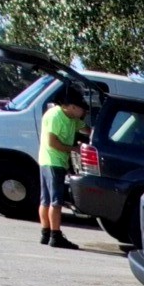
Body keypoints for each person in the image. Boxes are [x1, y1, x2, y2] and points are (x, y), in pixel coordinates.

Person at [38, 87, 88, 249]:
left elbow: (87, 130)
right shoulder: (55, 116)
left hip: (52, 161)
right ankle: (55, 235)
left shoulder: (72, 118)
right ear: (72, 106)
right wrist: (74, 149)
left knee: (46, 199)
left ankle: (45, 233)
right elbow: (52, 142)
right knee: (55, 201)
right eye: (82, 109)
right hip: (53, 161)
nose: (83, 112)